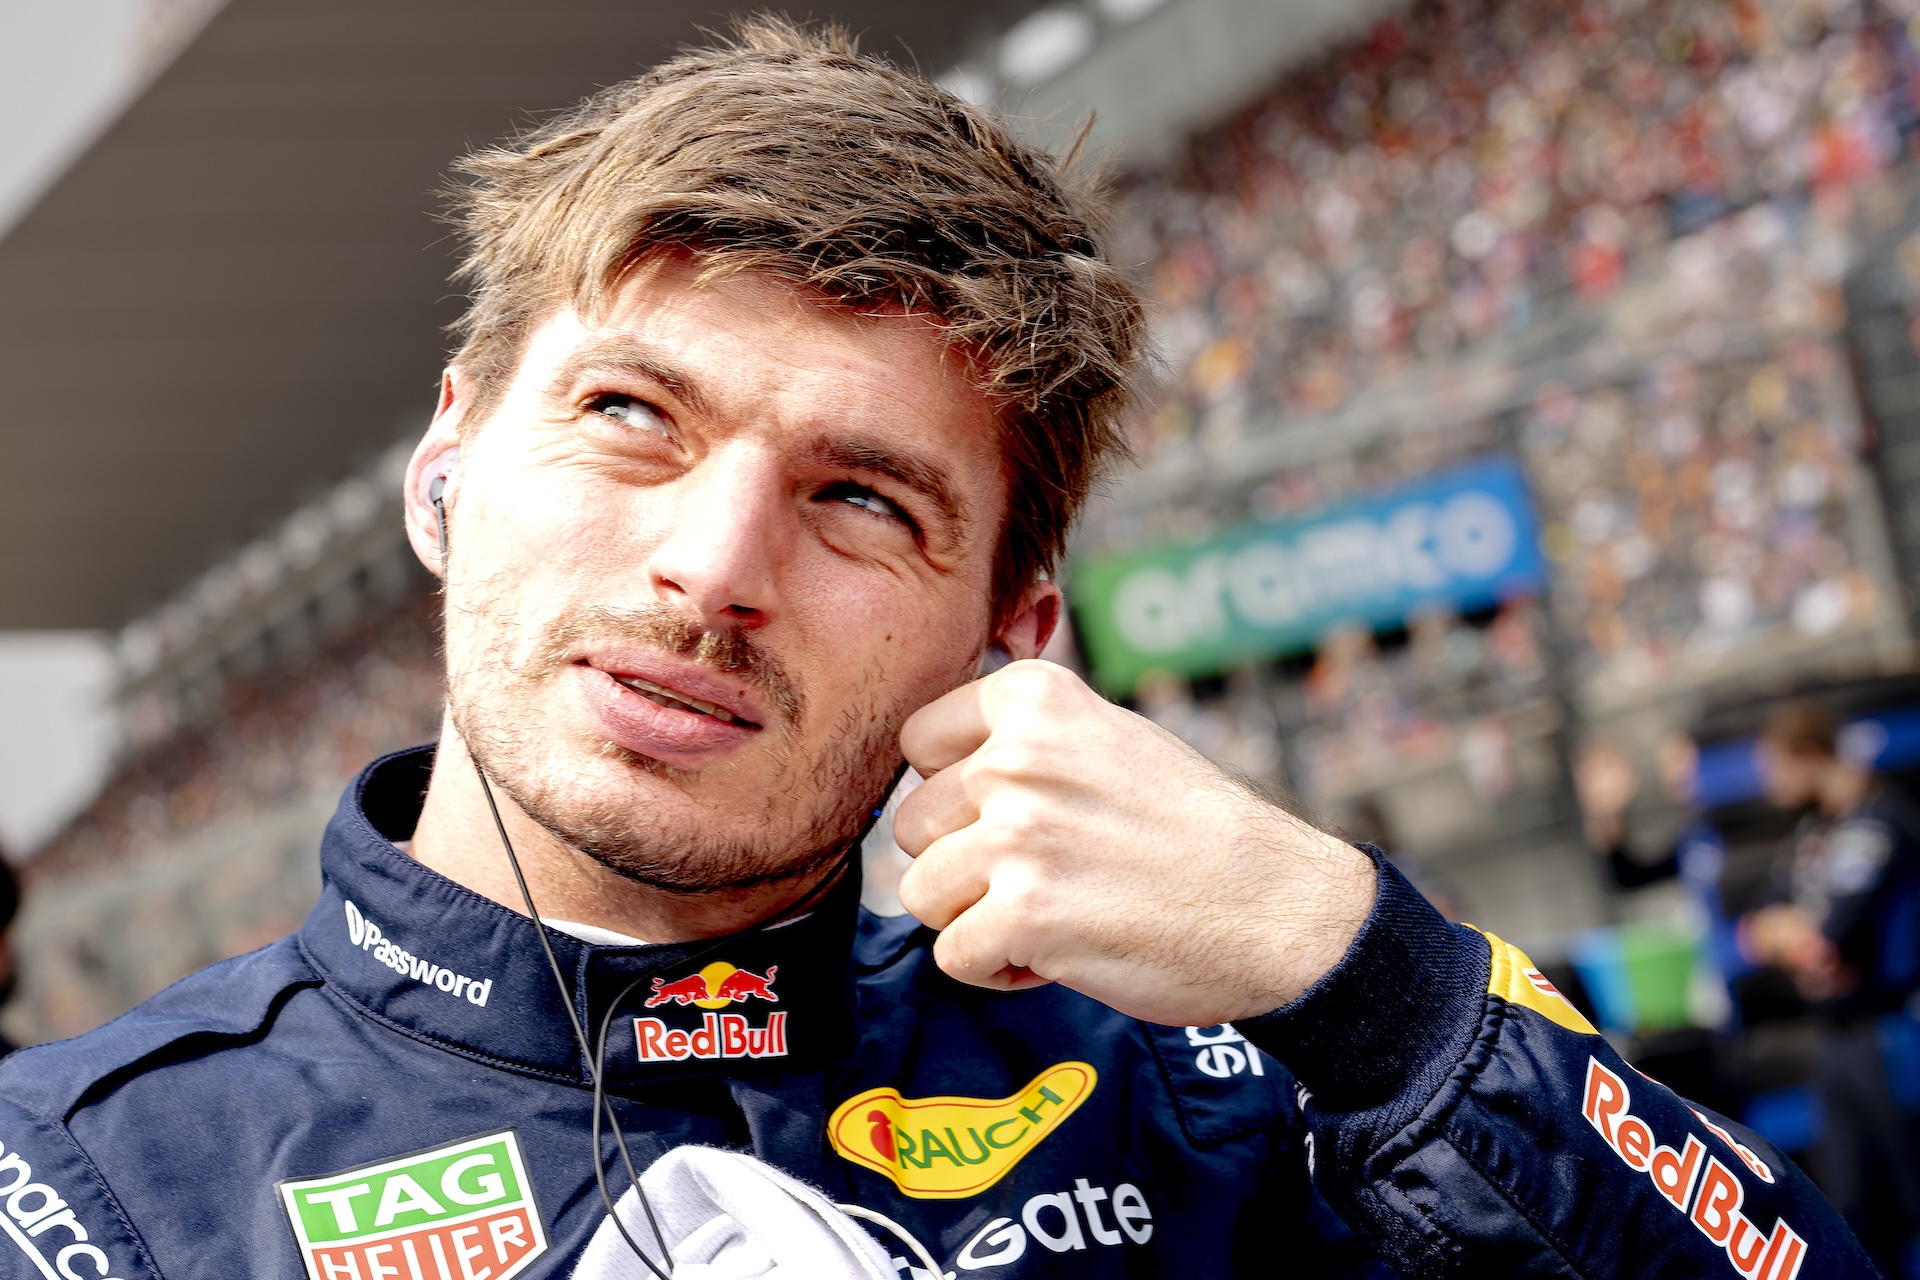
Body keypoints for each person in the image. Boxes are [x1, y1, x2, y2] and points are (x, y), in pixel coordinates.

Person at [0, 22, 1871, 1279]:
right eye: (634, 415)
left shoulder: (1202, 1106)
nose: (712, 565)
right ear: (448, 462)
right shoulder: (89, 1192)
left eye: (861, 502)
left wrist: (1361, 975)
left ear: (1014, 632)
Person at [1743, 701, 1920, 1273]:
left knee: (1908, 1194)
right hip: (1835, 1041)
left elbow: (1822, 938)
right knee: (1851, 1209)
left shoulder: (1878, 823)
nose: (1770, 785)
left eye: (1776, 767)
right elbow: (1753, 931)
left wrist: (1792, 935)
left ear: (1810, 758)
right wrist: (1786, 934)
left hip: (1890, 1036)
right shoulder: (1812, 834)